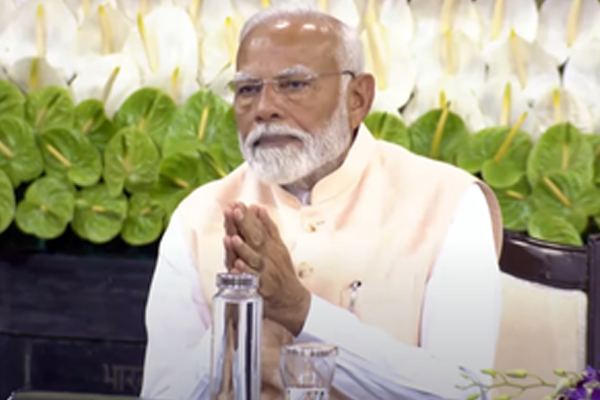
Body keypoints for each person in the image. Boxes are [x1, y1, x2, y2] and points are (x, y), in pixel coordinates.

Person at [140, 5, 505, 400]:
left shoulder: (450, 204)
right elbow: (160, 394)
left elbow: (464, 390)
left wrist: (300, 310)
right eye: (247, 89)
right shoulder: (199, 217)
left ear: (357, 98)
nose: (264, 108)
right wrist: (234, 318)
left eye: (294, 84)